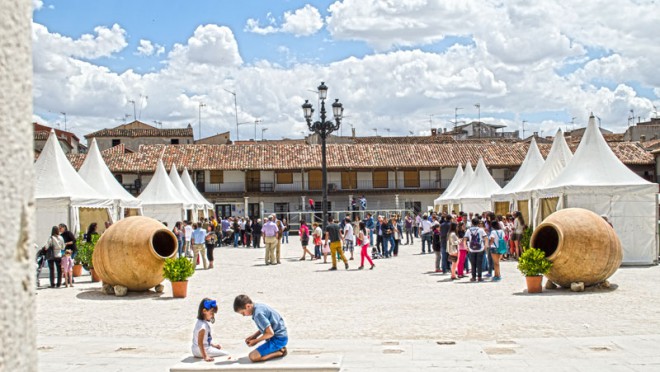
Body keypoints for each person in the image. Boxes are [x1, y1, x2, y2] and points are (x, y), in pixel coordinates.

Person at [234, 295, 288, 363]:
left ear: (248, 306)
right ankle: (279, 349)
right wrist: (254, 336)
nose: (243, 315)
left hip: (278, 340)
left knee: (253, 357)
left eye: (243, 312)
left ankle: (280, 352)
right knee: (254, 354)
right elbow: (266, 326)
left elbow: (270, 333)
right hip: (281, 337)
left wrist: (256, 341)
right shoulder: (258, 306)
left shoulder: (258, 314)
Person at [465, 217, 487, 282]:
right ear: (478, 223)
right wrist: (485, 246)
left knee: (473, 264)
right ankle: (479, 277)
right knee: (479, 263)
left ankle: (473, 277)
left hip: (471, 249)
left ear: (472, 223)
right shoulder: (481, 230)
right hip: (480, 248)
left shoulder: (468, 230)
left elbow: (465, 239)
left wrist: (466, 247)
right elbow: (486, 238)